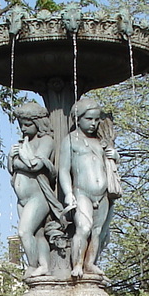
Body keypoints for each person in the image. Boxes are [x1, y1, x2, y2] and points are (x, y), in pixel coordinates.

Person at [60, 97, 122, 278]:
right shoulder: (70, 141)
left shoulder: (100, 142)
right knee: (84, 228)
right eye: (89, 119)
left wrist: (115, 156)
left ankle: (90, 264)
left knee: (97, 231)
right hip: (82, 192)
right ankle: (77, 264)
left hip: (103, 194)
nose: (93, 124)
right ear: (77, 119)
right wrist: (68, 194)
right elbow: (63, 170)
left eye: (96, 119)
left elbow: (108, 168)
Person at [8, 100, 61, 276]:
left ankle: (31, 266)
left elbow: (36, 165)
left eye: (27, 124)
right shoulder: (25, 142)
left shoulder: (46, 140)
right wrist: (11, 158)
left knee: (24, 232)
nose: (23, 129)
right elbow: (13, 167)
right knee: (37, 234)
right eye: (21, 125)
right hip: (22, 199)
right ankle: (44, 266)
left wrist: (18, 159)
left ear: (39, 123)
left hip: (38, 197)